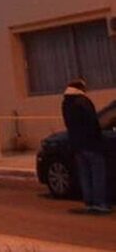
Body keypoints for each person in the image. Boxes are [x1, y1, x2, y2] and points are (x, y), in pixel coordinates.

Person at [62, 78, 111, 215]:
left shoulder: (66, 103)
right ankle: (99, 203)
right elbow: (93, 123)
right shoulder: (83, 102)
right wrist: (98, 140)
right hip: (91, 144)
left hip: (77, 145)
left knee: (85, 174)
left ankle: (89, 202)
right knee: (97, 174)